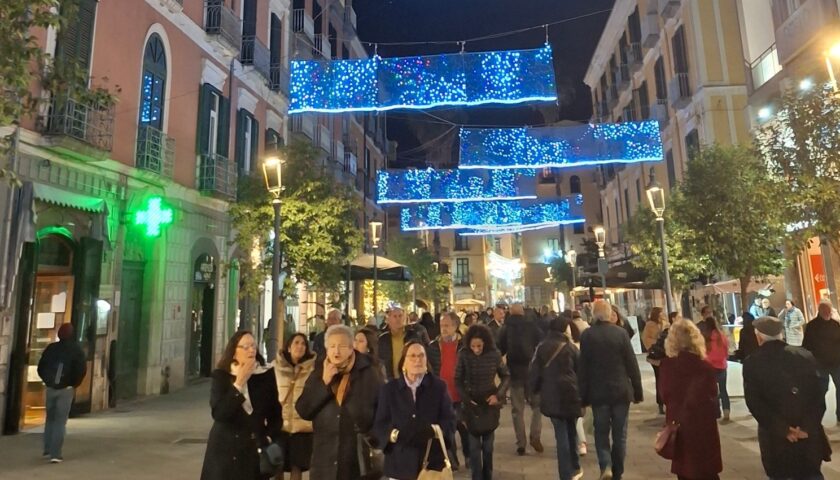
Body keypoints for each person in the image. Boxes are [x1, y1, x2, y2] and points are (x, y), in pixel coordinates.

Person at [745, 316, 832, 479]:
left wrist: (783, 429)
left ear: (759, 337)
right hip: (808, 440)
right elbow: (818, 396)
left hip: (776, 442)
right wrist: (807, 426)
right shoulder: (804, 356)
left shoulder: (752, 362)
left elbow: (755, 403)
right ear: (781, 334)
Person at [296, 325, 383, 480]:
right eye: (332, 346)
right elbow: (303, 410)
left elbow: (381, 410)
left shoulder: (368, 372)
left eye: (342, 346)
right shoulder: (319, 371)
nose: (336, 351)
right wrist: (324, 383)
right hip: (324, 460)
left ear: (351, 347)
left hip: (356, 460)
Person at [201, 331, 282, 480]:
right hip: (225, 451)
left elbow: (275, 413)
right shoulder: (221, 376)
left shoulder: (265, 375)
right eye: (245, 347)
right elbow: (219, 413)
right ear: (234, 352)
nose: (251, 350)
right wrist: (239, 384)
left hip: (253, 449)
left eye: (253, 345)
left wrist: (270, 436)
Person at [578, 300, 643, 480]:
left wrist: (582, 396)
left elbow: (582, 368)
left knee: (601, 432)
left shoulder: (587, 335)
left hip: (598, 393)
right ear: (609, 314)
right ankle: (618, 472)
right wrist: (637, 391)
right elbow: (632, 364)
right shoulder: (621, 333)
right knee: (620, 434)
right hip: (621, 391)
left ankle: (605, 465)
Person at [373, 341, 456, 479]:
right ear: (403, 362)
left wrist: (433, 431)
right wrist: (395, 435)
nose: (417, 360)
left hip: (431, 466)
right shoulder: (389, 390)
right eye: (412, 356)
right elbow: (380, 424)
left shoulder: (438, 387)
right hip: (399, 465)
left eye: (421, 356)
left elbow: (450, 420)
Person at [659, 319, 722, 480]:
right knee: (707, 472)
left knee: (685, 472)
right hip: (704, 427)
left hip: (680, 427)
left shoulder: (667, 366)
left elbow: (665, 395)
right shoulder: (706, 367)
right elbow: (713, 395)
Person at [529, 316, 582, 480]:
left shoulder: (542, 347)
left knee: (561, 434)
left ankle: (565, 474)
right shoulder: (571, 347)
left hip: (551, 395)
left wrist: (533, 391)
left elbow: (534, 373)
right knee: (571, 431)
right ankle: (574, 466)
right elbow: (581, 371)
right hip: (571, 394)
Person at [456, 324, 511, 480]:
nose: (476, 349)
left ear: (485, 343)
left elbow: (506, 375)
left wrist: (498, 395)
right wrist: (466, 399)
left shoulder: (494, 354)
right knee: (473, 447)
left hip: (489, 404)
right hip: (471, 404)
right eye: (473, 346)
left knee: (488, 447)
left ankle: (488, 475)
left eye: (479, 346)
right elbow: (457, 379)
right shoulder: (463, 354)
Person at [497, 303, 544, 455]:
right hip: (532, 373)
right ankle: (535, 435)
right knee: (537, 406)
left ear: (510, 312)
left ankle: (521, 443)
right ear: (523, 312)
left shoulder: (505, 328)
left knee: (517, 410)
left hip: (515, 373)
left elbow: (500, 348)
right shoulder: (532, 326)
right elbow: (541, 344)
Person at [37, 323, 87, 463]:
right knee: (60, 421)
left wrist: (48, 381)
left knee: (50, 419)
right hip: (66, 390)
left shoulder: (51, 349)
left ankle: (47, 449)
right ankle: (55, 454)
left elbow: (41, 367)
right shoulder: (76, 350)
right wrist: (73, 384)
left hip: (51, 388)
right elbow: (81, 370)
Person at [427, 311, 469, 469]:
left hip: (460, 393)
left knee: (464, 428)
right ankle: (452, 459)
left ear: (455, 326)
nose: (443, 329)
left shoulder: (464, 345)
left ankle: (468, 456)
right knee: (447, 430)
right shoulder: (432, 346)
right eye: (441, 325)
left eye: (447, 325)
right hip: (442, 395)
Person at [274, 333, 316, 480]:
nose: (300, 346)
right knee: (276, 466)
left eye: (303, 344)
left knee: (296, 467)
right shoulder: (276, 368)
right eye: (296, 343)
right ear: (289, 347)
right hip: (279, 425)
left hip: (302, 427)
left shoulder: (312, 370)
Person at [802, 301, 840, 423]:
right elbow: (807, 345)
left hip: (836, 363)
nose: (828, 313)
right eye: (825, 311)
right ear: (820, 311)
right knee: (821, 390)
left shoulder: (835, 324)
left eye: (829, 311)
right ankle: (817, 416)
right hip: (820, 364)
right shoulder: (812, 326)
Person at [379, 307, 429, 379]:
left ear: (405, 318)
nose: (398, 319)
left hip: (410, 379)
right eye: (395, 316)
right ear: (389, 320)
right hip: (390, 380)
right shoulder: (383, 339)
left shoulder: (413, 336)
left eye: (400, 316)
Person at [699, 306, 730, 422]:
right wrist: (724, 358)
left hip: (710, 366)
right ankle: (727, 411)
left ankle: (716, 411)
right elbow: (726, 349)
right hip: (722, 365)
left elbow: (702, 352)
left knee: (713, 390)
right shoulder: (721, 336)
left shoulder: (705, 337)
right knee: (723, 389)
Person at [569, 310, 591, 456]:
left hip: (573, 382)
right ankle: (582, 441)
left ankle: (581, 442)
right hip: (584, 381)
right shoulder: (582, 343)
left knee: (577, 415)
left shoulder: (568, 346)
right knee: (582, 413)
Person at [642, 307, 668, 415]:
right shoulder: (650, 325)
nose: (662, 314)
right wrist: (655, 343)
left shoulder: (666, 323)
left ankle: (666, 401)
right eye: (661, 313)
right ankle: (660, 403)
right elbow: (645, 338)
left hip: (665, 355)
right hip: (656, 356)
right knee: (659, 379)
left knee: (666, 379)